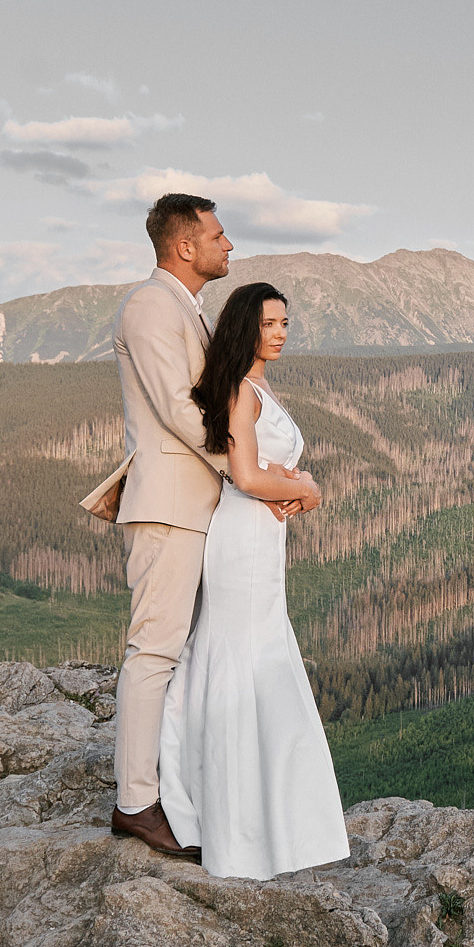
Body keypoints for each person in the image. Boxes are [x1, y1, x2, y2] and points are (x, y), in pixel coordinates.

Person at [89, 194, 317, 859]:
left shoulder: (183, 308)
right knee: (156, 650)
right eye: (218, 235)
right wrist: (256, 474)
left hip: (198, 509)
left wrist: (256, 476)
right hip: (168, 505)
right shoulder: (151, 306)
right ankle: (135, 802)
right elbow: (183, 413)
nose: (229, 245)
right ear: (185, 246)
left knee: (186, 653)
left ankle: (183, 787)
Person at [156, 281, 350, 879]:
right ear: (247, 327)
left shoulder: (259, 385)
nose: (282, 332)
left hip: (262, 539)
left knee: (254, 653)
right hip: (241, 537)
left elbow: (262, 466)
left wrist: (290, 481)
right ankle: (231, 824)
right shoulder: (242, 389)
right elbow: (243, 474)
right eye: (270, 323)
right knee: (238, 656)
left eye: (286, 322)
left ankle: (265, 814)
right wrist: (305, 489)